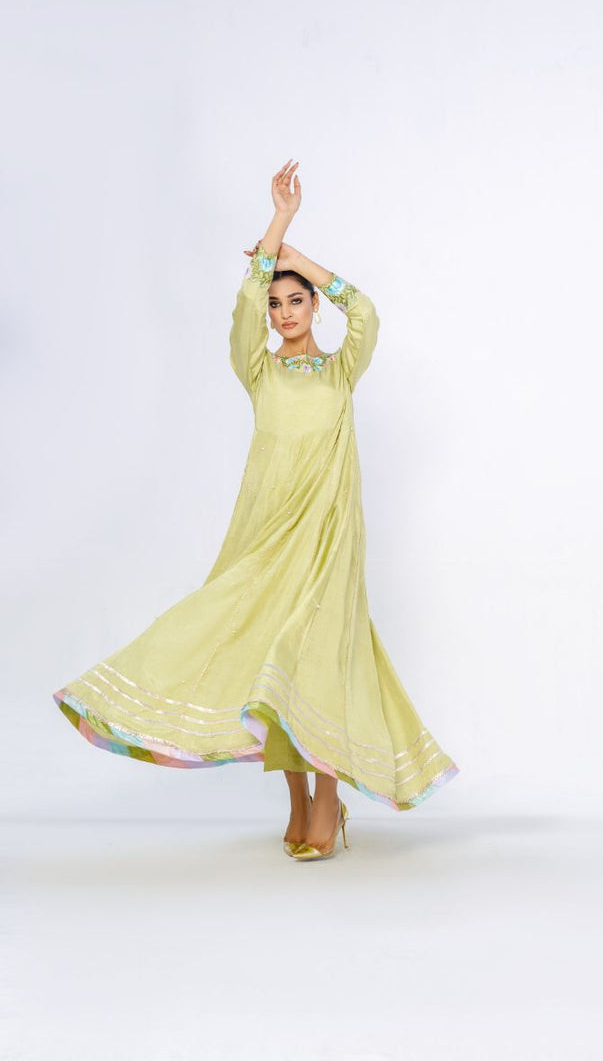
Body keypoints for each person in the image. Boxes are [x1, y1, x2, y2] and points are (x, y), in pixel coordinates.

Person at [53, 159, 460, 861]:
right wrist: (277, 225)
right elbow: (242, 309)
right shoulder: (259, 370)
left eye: (296, 301)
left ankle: (327, 801)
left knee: (319, 656)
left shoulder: (341, 370)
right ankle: (298, 797)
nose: (283, 313)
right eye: (277, 304)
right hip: (268, 537)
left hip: (328, 536)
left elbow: (366, 312)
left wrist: (300, 256)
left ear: (314, 307)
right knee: (267, 654)